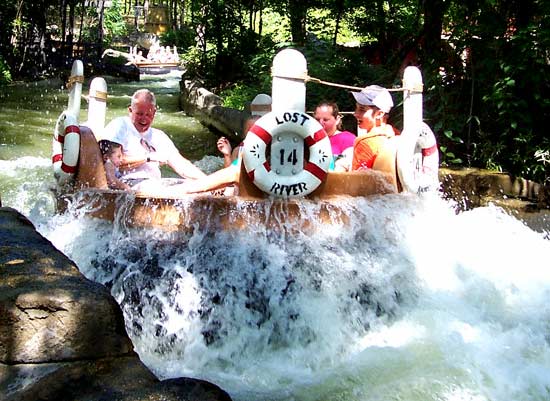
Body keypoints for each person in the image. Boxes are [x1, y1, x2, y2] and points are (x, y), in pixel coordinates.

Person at [101, 89, 206, 191]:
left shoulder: (159, 136)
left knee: (193, 186)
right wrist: (148, 157)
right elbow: (115, 161)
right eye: (139, 114)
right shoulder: (120, 125)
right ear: (130, 110)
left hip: (154, 182)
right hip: (128, 183)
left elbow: (181, 164)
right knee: (154, 187)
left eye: (148, 114)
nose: (144, 119)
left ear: (154, 113)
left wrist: (207, 181)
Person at [350, 85, 400, 170]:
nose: (355, 114)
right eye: (356, 108)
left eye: (362, 110)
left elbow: (357, 181)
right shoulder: (396, 134)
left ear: (380, 114)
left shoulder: (365, 143)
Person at [313, 102, 356, 171]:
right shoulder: (310, 140)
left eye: (325, 120)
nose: (320, 123)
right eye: (317, 119)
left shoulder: (348, 139)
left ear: (337, 119)